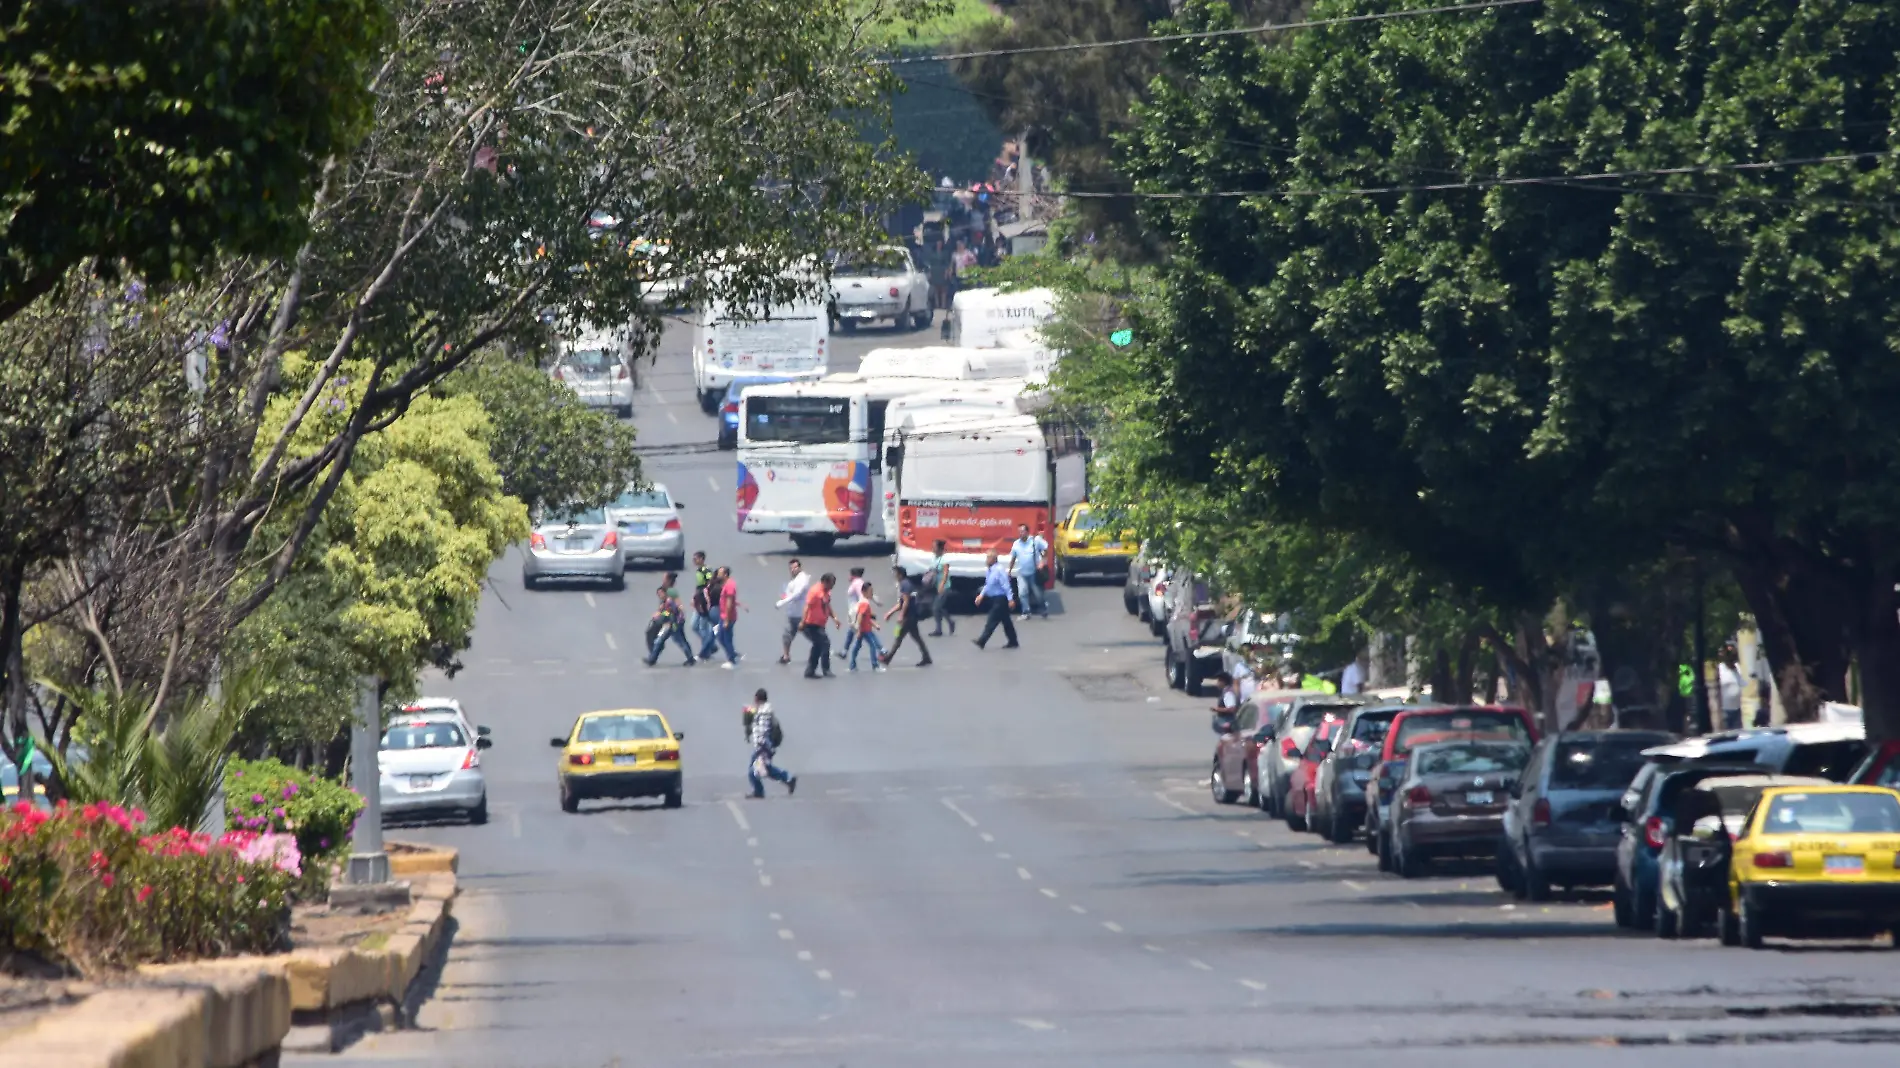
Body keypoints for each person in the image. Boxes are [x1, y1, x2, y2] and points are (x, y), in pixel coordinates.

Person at [743, 689, 796, 798]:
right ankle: (788, 779)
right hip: (763, 747)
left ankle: (759, 792)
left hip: (763, 747)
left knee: (753, 771)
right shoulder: (763, 710)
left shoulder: (763, 714)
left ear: (757, 699)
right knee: (767, 769)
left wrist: (761, 746)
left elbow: (762, 730)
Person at [881, 566, 932, 667]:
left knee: (899, 636)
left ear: (900, 574)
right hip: (911, 615)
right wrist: (890, 613)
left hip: (908, 616)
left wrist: (901, 615)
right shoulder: (906, 583)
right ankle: (927, 657)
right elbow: (901, 603)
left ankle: (888, 658)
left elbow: (906, 602)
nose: (894, 576)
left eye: (896, 573)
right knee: (916, 637)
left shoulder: (905, 584)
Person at [971, 552, 1019, 650]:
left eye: (989, 557)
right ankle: (1013, 641)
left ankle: (982, 641)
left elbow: (1006, 585)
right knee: (1006, 621)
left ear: (994, 559)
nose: (986, 559)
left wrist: (1010, 599)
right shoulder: (990, 570)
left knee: (991, 620)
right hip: (995, 599)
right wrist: (981, 596)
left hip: (1000, 599)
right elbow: (988, 585)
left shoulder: (999, 570)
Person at [644, 579, 696, 666]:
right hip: (672, 623)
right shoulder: (665, 602)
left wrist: (661, 614)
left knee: (678, 641)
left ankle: (690, 659)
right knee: (662, 641)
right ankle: (652, 659)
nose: (660, 596)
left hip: (673, 624)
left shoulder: (669, 602)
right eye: (658, 594)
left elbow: (672, 612)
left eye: (661, 594)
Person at [801, 572, 841, 679]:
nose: (833, 586)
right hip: (811, 624)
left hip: (820, 624)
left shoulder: (827, 592)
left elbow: (827, 606)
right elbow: (807, 607)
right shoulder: (815, 591)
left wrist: (835, 619)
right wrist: (802, 622)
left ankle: (810, 671)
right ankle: (826, 669)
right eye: (832, 584)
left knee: (818, 646)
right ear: (825, 582)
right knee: (825, 643)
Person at [774, 558, 810, 665]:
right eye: (791, 568)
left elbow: (797, 594)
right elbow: (789, 593)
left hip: (801, 614)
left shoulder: (803, 578)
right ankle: (786, 656)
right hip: (792, 613)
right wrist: (784, 596)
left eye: (795, 567)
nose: (793, 570)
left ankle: (823, 650)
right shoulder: (793, 579)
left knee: (811, 635)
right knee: (787, 635)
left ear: (800, 567)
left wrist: (782, 602)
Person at [1009, 523, 1048, 619]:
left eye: (1022, 531)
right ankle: (1026, 612)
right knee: (1022, 593)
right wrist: (1009, 570)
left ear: (1027, 532)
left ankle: (1043, 609)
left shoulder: (1035, 541)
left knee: (1037, 593)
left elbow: (1046, 550)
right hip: (1022, 573)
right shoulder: (1016, 544)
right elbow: (1013, 558)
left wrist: (1042, 562)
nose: (1020, 533)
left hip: (1034, 573)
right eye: (1019, 532)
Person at [848, 581, 887, 672]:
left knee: (857, 647)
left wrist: (874, 624)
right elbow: (861, 616)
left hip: (864, 629)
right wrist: (858, 630)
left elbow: (866, 617)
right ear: (864, 592)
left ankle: (852, 665)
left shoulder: (863, 602)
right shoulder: (865, 603)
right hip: (865, 630)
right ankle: (875, 666)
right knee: (872, 646)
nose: (872, 593)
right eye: (870, 591)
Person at [838, 566, 869, 663]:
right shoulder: (857, 583)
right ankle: (844, 651)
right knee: (852, 631)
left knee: (864, 633)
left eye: (850, 574)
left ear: (854, 575)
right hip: (854, 610)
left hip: (855, 611)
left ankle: (881, 649)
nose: (849, 576)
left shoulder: (857, 583)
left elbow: (862, 596)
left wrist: (861, 610)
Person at [713, 566, 742, 667]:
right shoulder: (727, 584)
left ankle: (732, 660)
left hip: (727, 616)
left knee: (726, 638)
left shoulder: (729, 585)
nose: (718, 575)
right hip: (724, 615)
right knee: (721, 636)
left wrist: (726, 619)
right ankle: (733, 655)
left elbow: (729, 603)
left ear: (725, 574)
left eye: (720, 573)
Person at [690, 551, 717, 657]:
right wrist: (694, 597)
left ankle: (707, 649)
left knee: (702, 626)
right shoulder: (699, 570)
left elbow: (709, 584)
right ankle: (710, 645)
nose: (694, 561)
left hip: (704, 601)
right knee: (694, 626)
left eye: (696, 559)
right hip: (698, 600)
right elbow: (698, 586)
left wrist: (707, 599)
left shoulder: (706, 571)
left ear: (702, 559)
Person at [928, 539, 955, 636]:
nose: (932, 548)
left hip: (944, 586)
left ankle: (938, 629)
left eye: (934, 547)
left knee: (936, 607)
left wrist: (942, 585)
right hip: (936, 585)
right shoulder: (934, 558)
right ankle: (950, 622)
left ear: (939, 548)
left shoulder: (944, 559)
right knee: (940, 607)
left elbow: (945, 573)